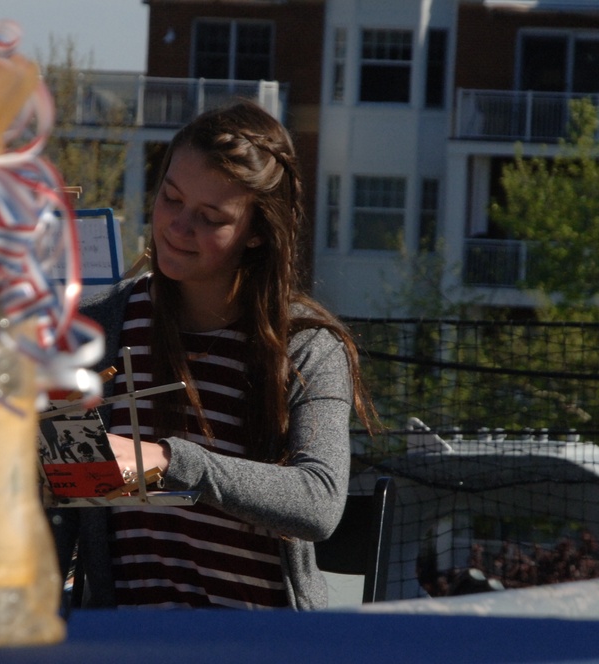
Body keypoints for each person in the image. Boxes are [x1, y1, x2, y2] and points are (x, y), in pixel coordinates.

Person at [50, 101, 377, 610]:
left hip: (258, 644)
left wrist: (167, 461)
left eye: (209, 217)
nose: (178, 227)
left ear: (257, 233)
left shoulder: (308, 345)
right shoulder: (96, 328)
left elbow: (319, 501)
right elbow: (65, 507)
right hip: (125, 639)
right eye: (170, 199)